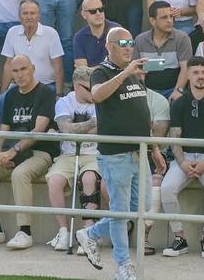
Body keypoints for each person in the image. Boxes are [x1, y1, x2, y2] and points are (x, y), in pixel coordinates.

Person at [74, 28, 151, 279]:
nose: (129, 47)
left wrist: (155, 149)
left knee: (140, 209)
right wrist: (126, 73)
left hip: (140, 152)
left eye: (131, 43)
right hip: (117, 154)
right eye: (123, 43)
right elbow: (97, 95)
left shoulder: (132, 74)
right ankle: (123, 265)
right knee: (121, 211)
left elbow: (141, 113)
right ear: (109, 46)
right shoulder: (102, 72)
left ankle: (90, 234)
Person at [0, 54, 59, 249]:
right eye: (15, 71)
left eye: (23, 69)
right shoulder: (10, 95)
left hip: (40, 152)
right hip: (13, 152)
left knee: (20, 174)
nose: (19, 75)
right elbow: (4, 128)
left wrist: (12, 152)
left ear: (33, 69)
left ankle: (25, 231)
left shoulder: (46, 93)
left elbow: (38, 131)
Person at [159, 56, 204, 259]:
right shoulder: (179, 103)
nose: (200, 76)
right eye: (196, 72)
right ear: (188, 75)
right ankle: (179, 238)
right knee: (166, 188)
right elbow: (175, 136)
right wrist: (182, 162)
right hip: (184, 157)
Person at [44, 67, 101, 250]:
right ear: (77, 86)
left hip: (93, 154)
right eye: (89, 88)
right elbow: (66, 129)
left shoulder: (100, 100)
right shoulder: (64, 102)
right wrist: (92, 124)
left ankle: (88, 232)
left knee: (89, 178)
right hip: (68, 154)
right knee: (54, 181)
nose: (93, 92)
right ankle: (63, 231)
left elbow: (75, 128)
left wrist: (74, 127)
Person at [0, 0, 65, 96]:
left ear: (39, 16)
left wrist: (59, 95)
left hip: (46, 86)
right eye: (25, 13)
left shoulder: (51, 33)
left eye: (32, 13)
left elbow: (58, 67)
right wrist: (2, 94)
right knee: (1, 102)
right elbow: (8, 65)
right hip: (19, 86)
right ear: (19, 16)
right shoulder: (12, 32)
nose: (29, 17)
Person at [135, 0, 192, 98]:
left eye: (171, 16)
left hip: (173, 90)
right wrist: (143, 93)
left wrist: (178, 90)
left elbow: (186, 68)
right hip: (148, 91)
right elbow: (137, 71)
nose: (170, 20)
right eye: (164, 17)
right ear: (152, 21)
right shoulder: (140, 40)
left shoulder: (182, 38)